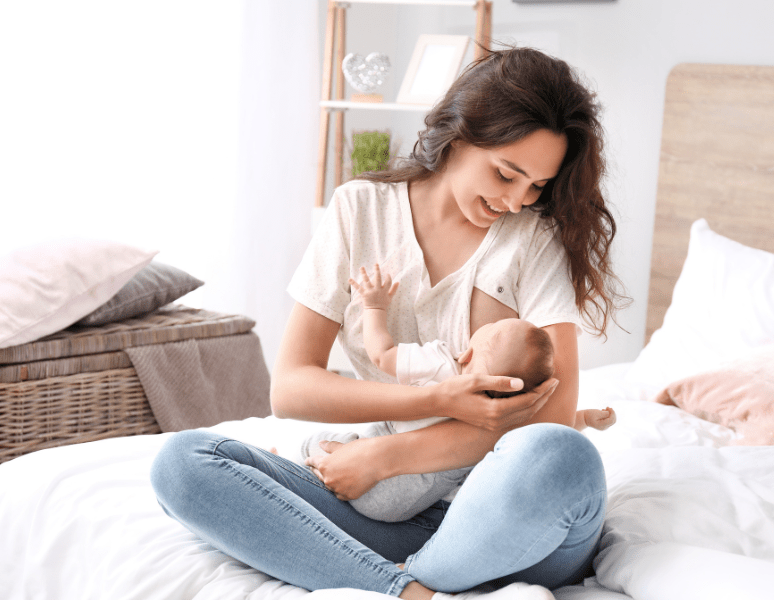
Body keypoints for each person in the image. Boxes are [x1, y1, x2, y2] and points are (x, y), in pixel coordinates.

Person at [151, 46, 627, 599]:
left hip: (505, 520)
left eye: (536, 187)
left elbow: (554, 415)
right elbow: (292, 387)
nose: (516, 201)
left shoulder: (532, 239)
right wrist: (435, 402)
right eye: (506, 174)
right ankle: (408, 590)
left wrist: (385, 455)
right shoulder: (360, 210)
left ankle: (385, 576)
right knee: (183, 464)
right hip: (377, 509)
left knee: (562, 457)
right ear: (460, 133)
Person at [285, 263, 617, 523]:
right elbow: (544, 432)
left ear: (470, 353)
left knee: (315, 445)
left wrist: (374, 308)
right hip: (416, 503)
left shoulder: (443, 363)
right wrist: (585, 418)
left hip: (378, 463)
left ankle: (288, 459)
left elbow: (381, 354)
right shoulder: (507, 413)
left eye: (489, 328)